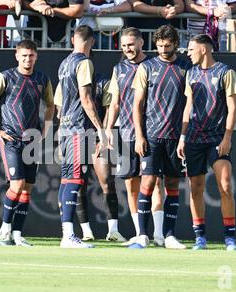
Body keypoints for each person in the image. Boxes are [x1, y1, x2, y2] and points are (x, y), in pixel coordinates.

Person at [0, 39, 55, 247]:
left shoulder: (42, 79)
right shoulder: (6, 77)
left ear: (36, 57)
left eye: (31, 55)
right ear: (17, 56)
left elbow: (50, 105)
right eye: (24, 55)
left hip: (32, 140)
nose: (27, 59)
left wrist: (46, 128)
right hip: (11, 139)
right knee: (17, 184)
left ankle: (18, 233)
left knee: (27, 188)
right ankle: (5, 227)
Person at [129, 25, 190, 249]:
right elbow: (137, 104)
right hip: (152, 135)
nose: (164, 49)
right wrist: (139, 135)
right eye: (160, 46)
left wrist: (185, 135)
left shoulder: (186, 67)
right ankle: (143, 235)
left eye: (168, 45)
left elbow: (190, 104)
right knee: (148, 181)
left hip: (175, 137)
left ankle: (169, 236)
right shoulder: (147, 67)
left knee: (173, 184)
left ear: (175, 43)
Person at [176, 34, 236, 250]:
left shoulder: (225, 72)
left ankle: (230, 238)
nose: (188, 53)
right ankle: (200, 237)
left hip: (216, 138)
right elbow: (188, 107)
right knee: (195, 189)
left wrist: (227, 137)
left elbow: (232, 108)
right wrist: (182, 137)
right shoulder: (191, 73)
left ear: (204, 49)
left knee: (225, 185)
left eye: (191, 49)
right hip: (194, 137)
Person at [105, 27, 166, 247]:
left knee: (154, 182)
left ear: (141, 42)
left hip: (150, 132)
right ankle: (141, 233)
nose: (127, 49)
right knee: (131, 183)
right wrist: (108, 130)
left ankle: (159, 234)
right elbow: (114, 102)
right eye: (123, 45)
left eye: (131, 44)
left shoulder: (152, 66)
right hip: (126, 133)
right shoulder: (118, 68)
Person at [55, 72, 126, 242]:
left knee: (107, 180)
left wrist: (104, 133)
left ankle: (113, 231)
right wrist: (61, 140)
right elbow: (60, 113)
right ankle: (86, 231)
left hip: (96, 137)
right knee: (78, 184)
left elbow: (109, 110)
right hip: (75, 136)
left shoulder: (103, 83)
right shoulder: (65, 83)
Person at [57, 25, 107, 248]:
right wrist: (100, 129)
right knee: (75, 180)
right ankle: (68, 236)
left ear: (73, 40)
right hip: (78, 128)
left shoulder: (64, 63)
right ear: (92, 42)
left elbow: (60, 105)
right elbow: (86, 99)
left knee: (67, 180)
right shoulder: (84, 63)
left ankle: (66, 233)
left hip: (67, 128)